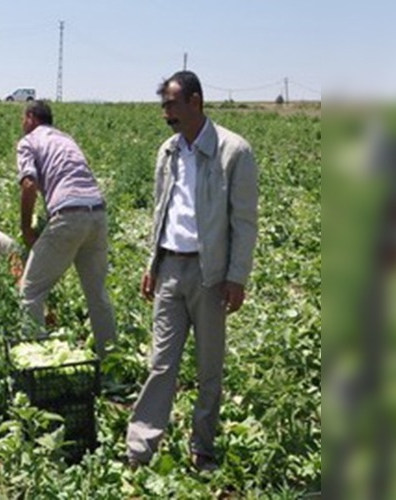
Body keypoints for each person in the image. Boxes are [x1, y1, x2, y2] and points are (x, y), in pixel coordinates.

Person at [125, 71, 259, 473]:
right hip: (169, 267)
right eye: (163, 106)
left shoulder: (233, 152)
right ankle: (140, 448)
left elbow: (244, 222)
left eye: (171, 105)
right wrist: (152, 263)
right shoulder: (168, 151)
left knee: (208, 367)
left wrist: (237, 277)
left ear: (195, 102)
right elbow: (160, 211)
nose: (166, 114)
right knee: (161, 363)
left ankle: (203, 447)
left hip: (210, 274)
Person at [14, 100, 117, 359]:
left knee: (31, 292)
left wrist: (26, 229)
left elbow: (29, 185)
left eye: (23, 119)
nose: (22, 124)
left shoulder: (29, 141)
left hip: (69, 216)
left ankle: (35, 362)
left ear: (30, 117)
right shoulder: (65, 139)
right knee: (97, 295)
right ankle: (112, 362)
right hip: (97, 214)